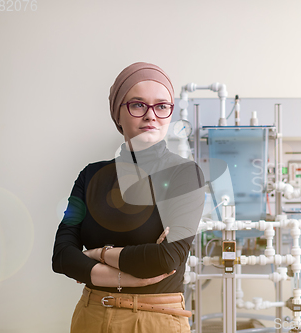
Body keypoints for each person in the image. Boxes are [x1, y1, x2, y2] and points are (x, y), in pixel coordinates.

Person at [52, 62, 205, 333]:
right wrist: (128, 276)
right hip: (92, 315)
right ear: (117, 114)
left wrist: (99, 254)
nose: (151, 116)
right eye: (138, 105)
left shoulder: (184, 175)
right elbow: (62, 255)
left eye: (161, 106)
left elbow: (167, 258)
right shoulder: (90, 176)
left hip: (155, 318)